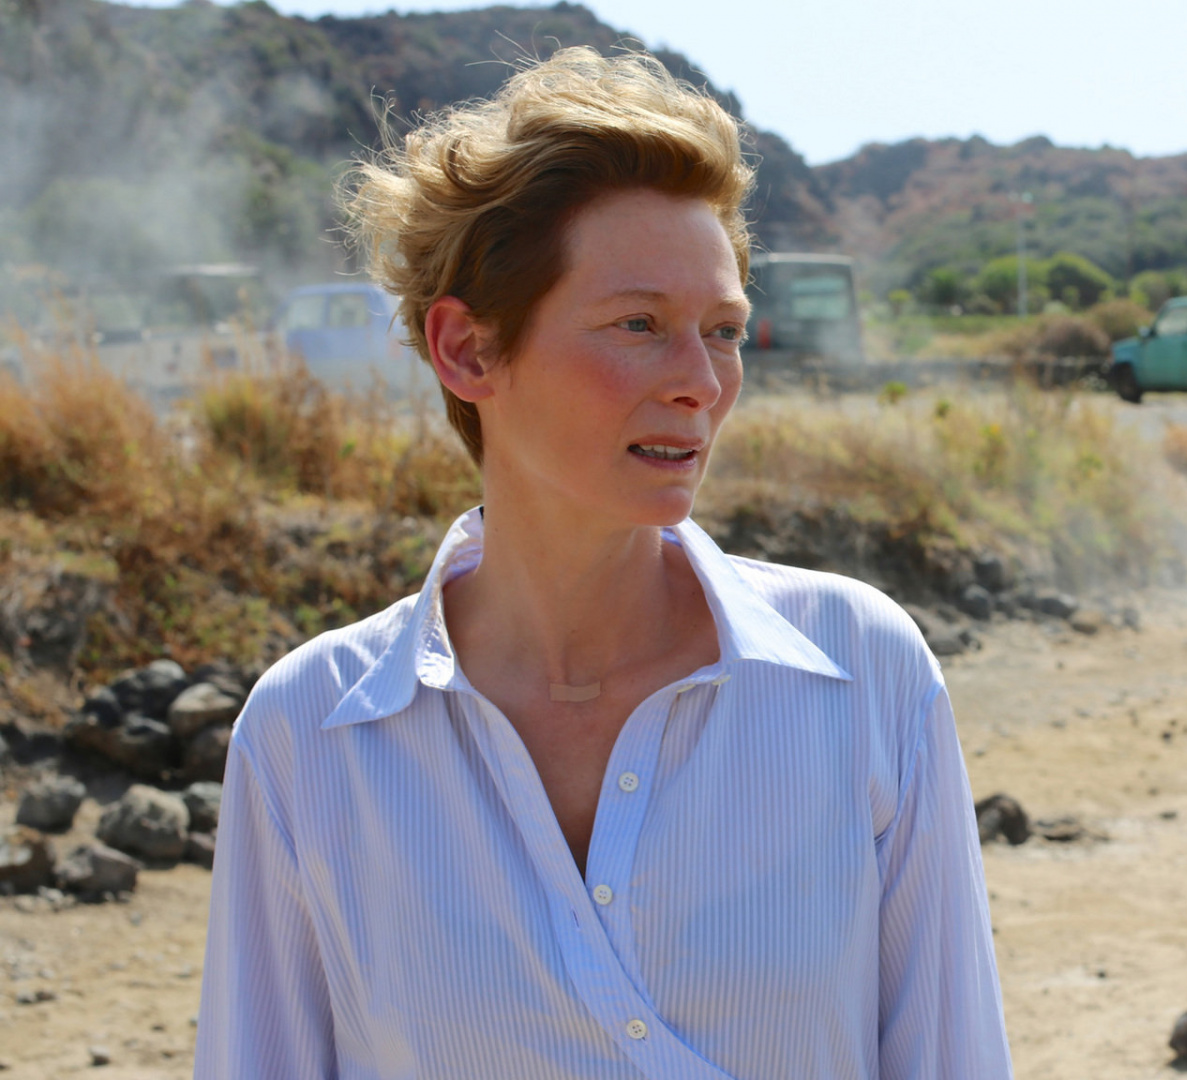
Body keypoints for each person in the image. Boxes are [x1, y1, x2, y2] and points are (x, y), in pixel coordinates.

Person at [194, 48, 1013, 1078]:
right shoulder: (310, 735)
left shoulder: (861, 672)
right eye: (640, 325)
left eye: (724, 331)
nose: (701, 383)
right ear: (468, 351)